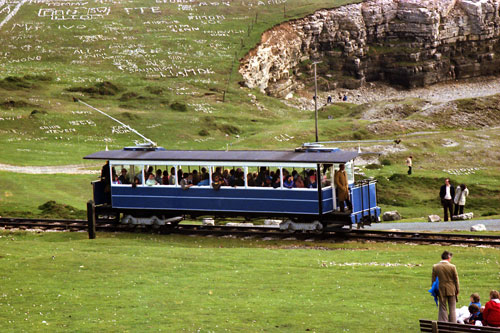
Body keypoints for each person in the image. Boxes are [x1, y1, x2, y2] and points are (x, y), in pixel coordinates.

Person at [431, 251, 460, 322]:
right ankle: (453, 324)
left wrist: (434, 290)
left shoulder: (435, 266)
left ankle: (443, 324)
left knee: (442, 307)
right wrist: (457, 289)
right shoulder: (452, 267)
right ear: (449, 257)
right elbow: (456, 279)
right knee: (452, 308)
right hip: (451, 289)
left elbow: (433, 280)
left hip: (440, 289)